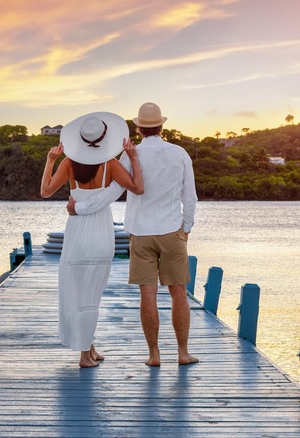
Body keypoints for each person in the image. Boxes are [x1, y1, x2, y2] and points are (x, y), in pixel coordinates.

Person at [67, 102, 198, 367]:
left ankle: (154, 355)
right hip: (172, 230)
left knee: (147, 294)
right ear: (162, 126)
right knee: (179, 292)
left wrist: (79, 208)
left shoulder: (129, 156)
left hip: (140, 233)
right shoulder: (180, 153)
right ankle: (183, 353)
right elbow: (190, 197)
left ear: (138, 128)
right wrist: (186, 228)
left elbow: (112, 193)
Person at [41, 112, 144, 368]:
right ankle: (84, 355)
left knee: (77, 290)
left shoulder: (68, 163)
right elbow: (138, 188)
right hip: (100, 231)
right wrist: (132, 157)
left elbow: (45, 191)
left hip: (76, 230)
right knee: (92, 294)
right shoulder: (110, 164)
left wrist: (50, 160)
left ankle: (89, 347)